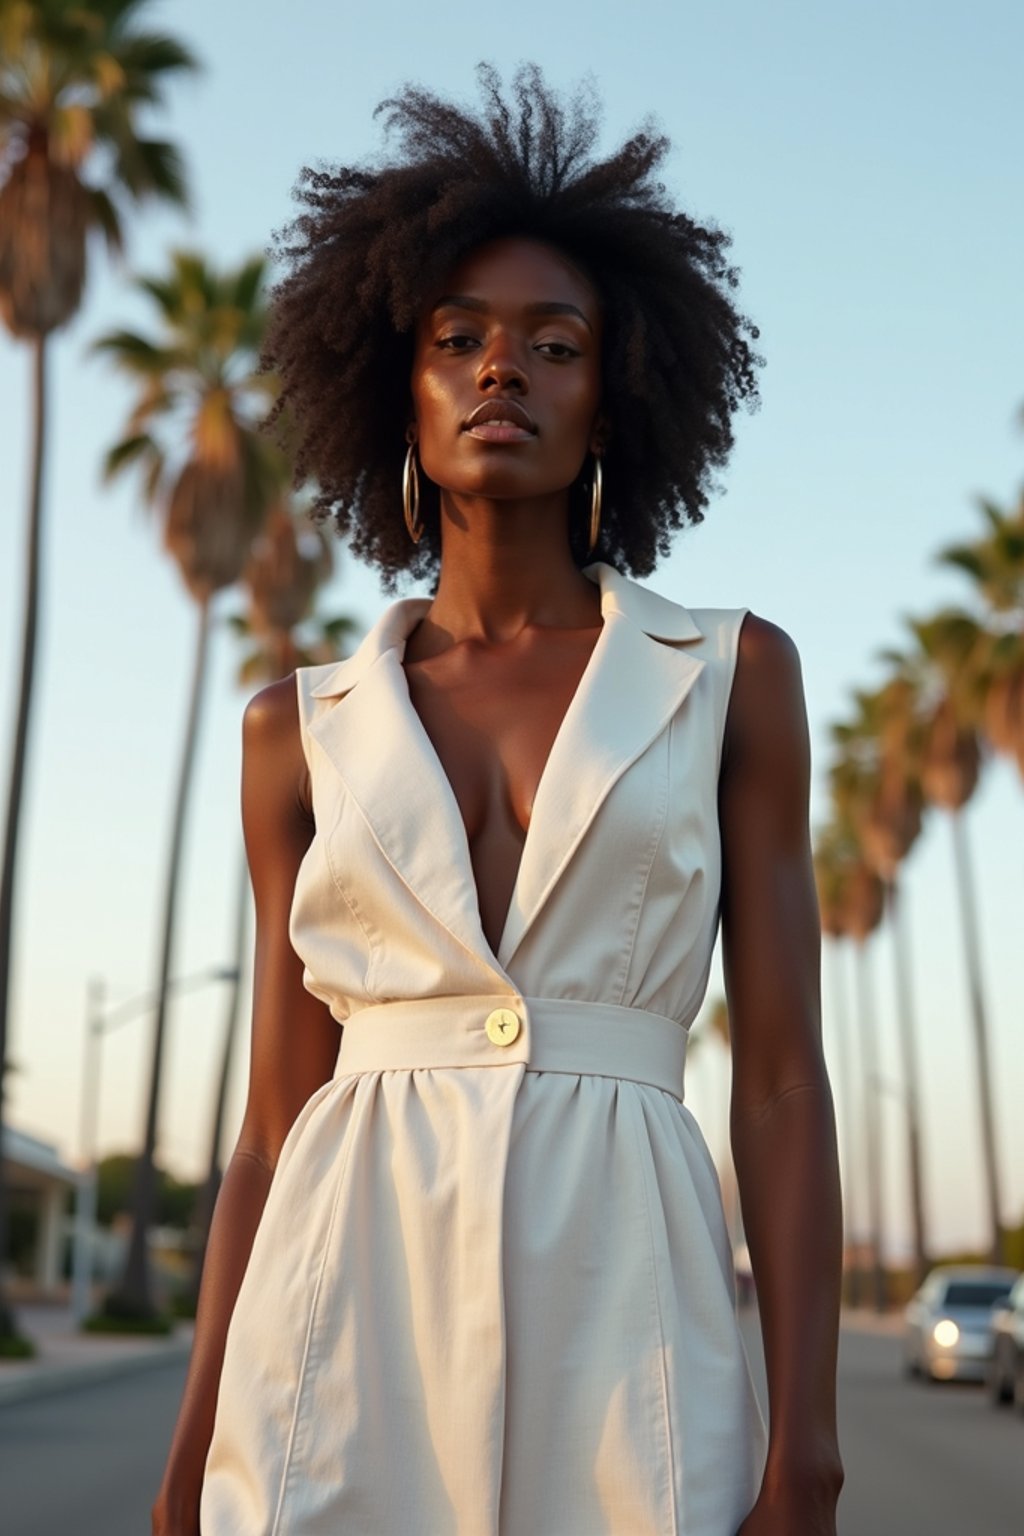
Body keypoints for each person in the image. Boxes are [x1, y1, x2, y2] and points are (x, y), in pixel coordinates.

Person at [153, 65, 844, 1536]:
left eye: (553, 342)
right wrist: (197, 1425)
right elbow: (275, 1126)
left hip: (633, 1303)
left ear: (618, 392)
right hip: (343, 1314)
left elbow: (781, 1080)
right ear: (394, 385)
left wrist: (810, 1444)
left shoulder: (730, 676)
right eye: (455, 338)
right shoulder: (296, 728)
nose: (498, 371)